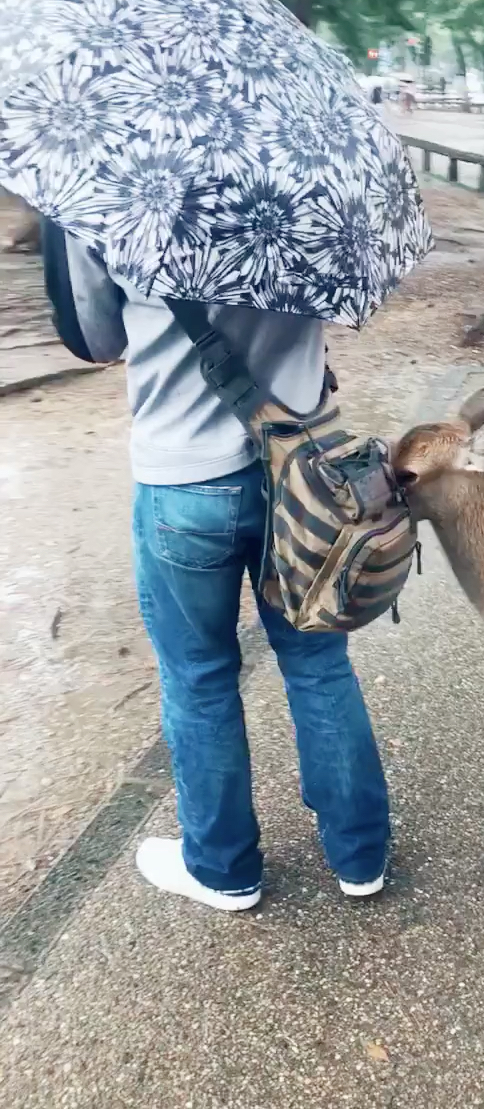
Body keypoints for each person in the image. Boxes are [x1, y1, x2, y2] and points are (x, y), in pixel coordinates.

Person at [41, 221, 390, 911]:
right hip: (306, 474)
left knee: (198, 679)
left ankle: (224, 868)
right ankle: (360, 855)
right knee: (318, 663)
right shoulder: (304, 172)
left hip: (183, 479)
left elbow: (96, 340)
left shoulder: (113, 189)